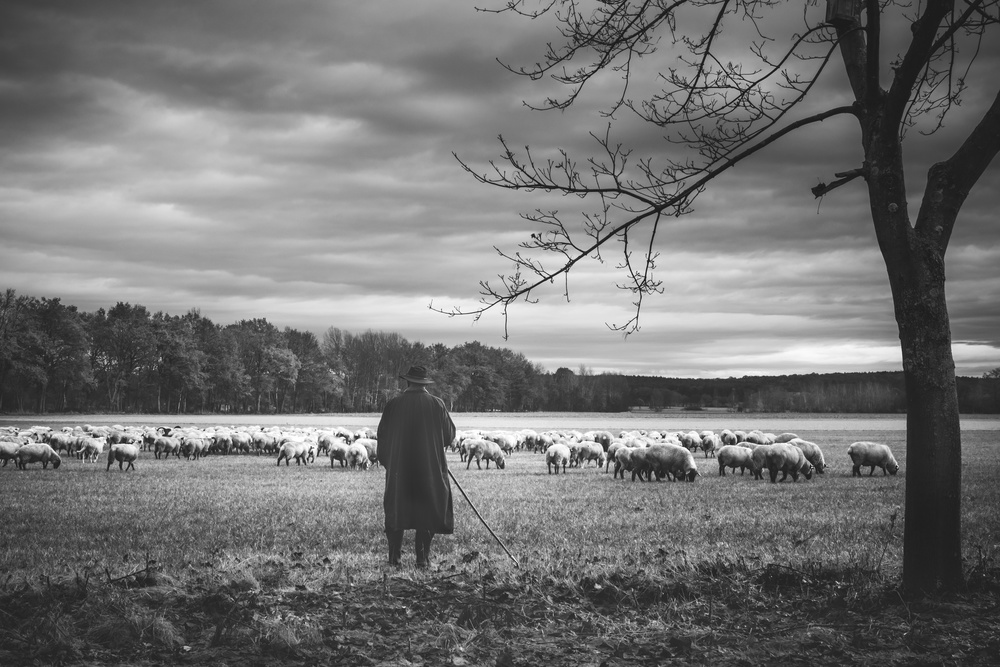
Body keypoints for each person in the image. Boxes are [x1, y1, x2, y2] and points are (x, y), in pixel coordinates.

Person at [376, 365, 455, 568]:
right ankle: (422, 559)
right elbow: (449, 436)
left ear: (408, 381)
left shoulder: (394, 404)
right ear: (425, 384)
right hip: (429, 469)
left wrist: (388, 462)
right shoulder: (437, 404)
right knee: (427, 510)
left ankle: (394, 559)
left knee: (396, 509)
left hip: (399, 470)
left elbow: (382, 436)